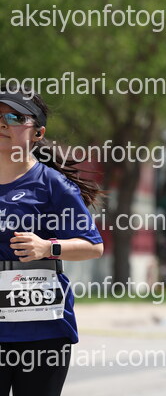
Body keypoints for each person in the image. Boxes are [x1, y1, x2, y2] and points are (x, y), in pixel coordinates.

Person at [0, 86, 104, 395]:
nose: (3, 123)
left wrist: (48, 247)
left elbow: (93, 246)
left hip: (42, 330)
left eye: (15, 117)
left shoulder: (52, 184)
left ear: (38, 132)